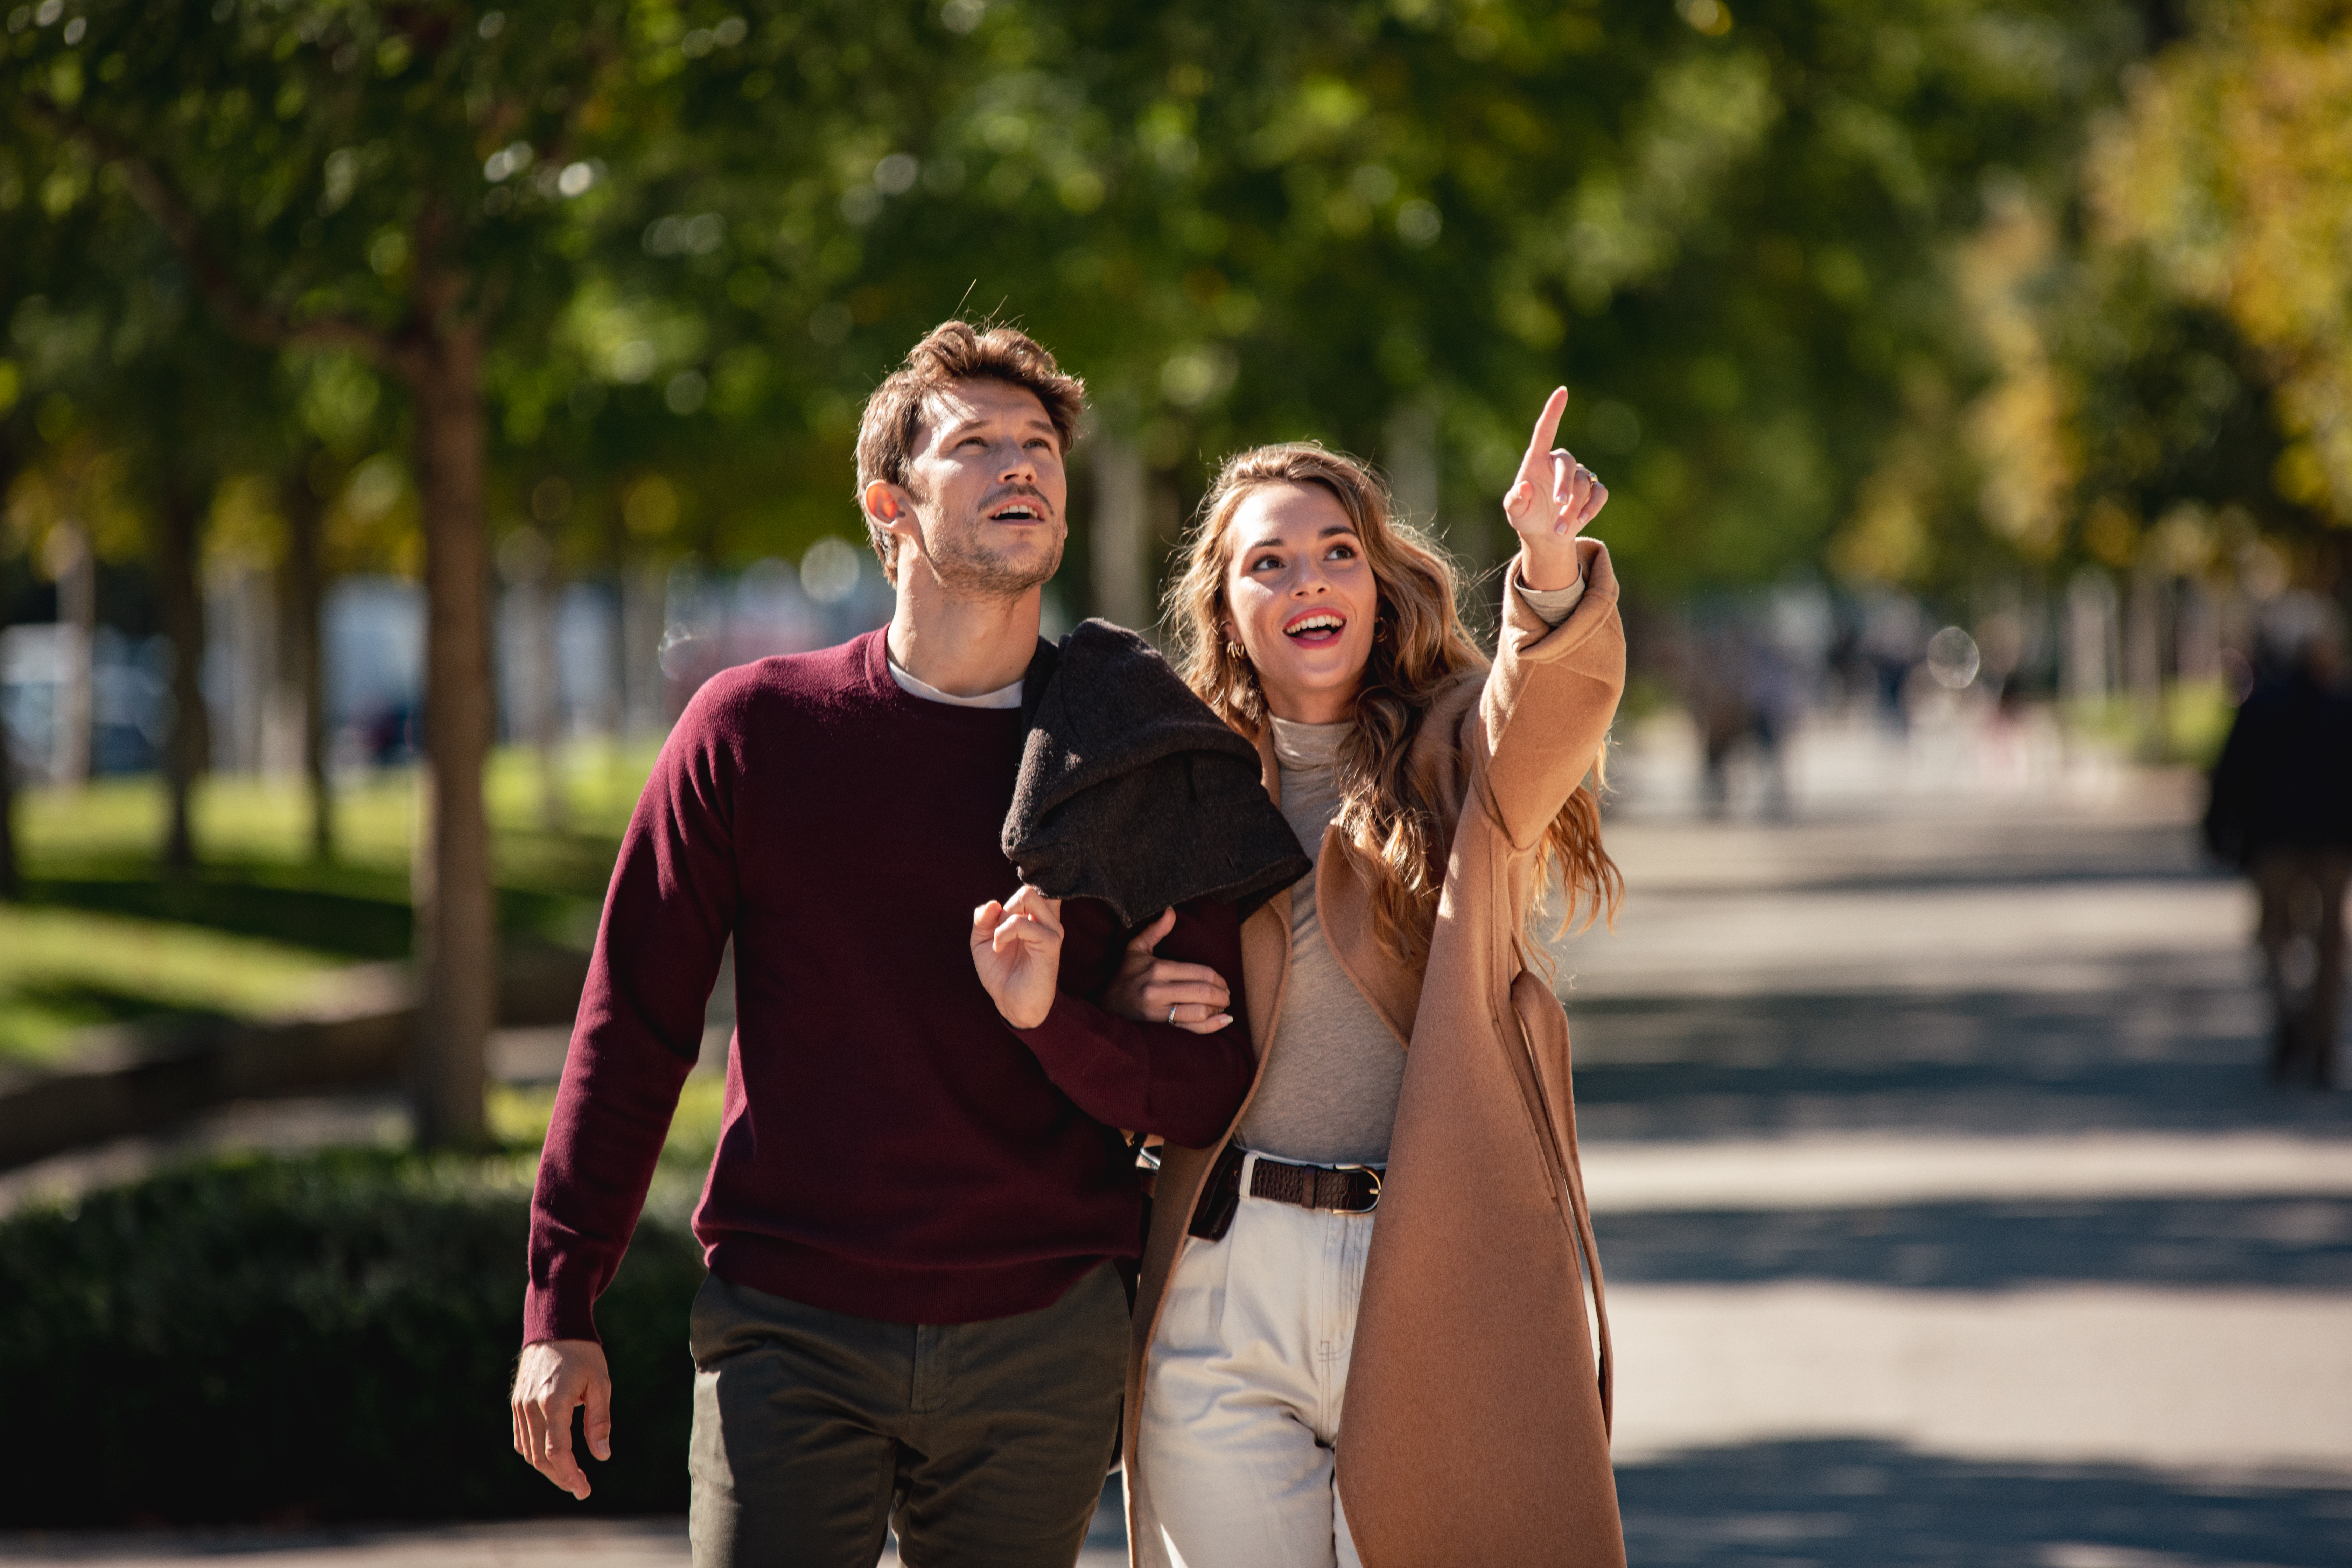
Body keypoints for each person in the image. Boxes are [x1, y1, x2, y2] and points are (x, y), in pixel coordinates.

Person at [509, 320, 1256, 1568]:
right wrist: (558, 1302)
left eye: (1039, 446)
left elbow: (1206, 1088)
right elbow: (630, 1028)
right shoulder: (752, 733)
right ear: (888, 507)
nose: (1023, 466)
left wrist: (1063, 1018)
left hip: (1045, 1334)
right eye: (976, 446)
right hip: (790, 1334)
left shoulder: (1134, 751)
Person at [970, 391, 1630, 1567]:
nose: (1310, 582)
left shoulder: (1459, 757)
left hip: (1433, 1260)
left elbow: (1548, 714)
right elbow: (1158, 1059)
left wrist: (1547, 560)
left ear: (1380, 587)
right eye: (1268, 563)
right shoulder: (1173, 794)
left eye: (1338, 554)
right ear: (1226, 609)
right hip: (1228, 1280)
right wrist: (1105, 1005)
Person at [2205, 615, 2352, 1087]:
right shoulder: (2342, 707)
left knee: (2272, 937)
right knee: (2329, 944)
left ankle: (2291, 1017)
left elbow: (2231, 775)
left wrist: (2219, 830)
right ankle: (2321, 1040)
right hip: (2332, 843)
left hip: (2276, 842)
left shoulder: (2263, 705)